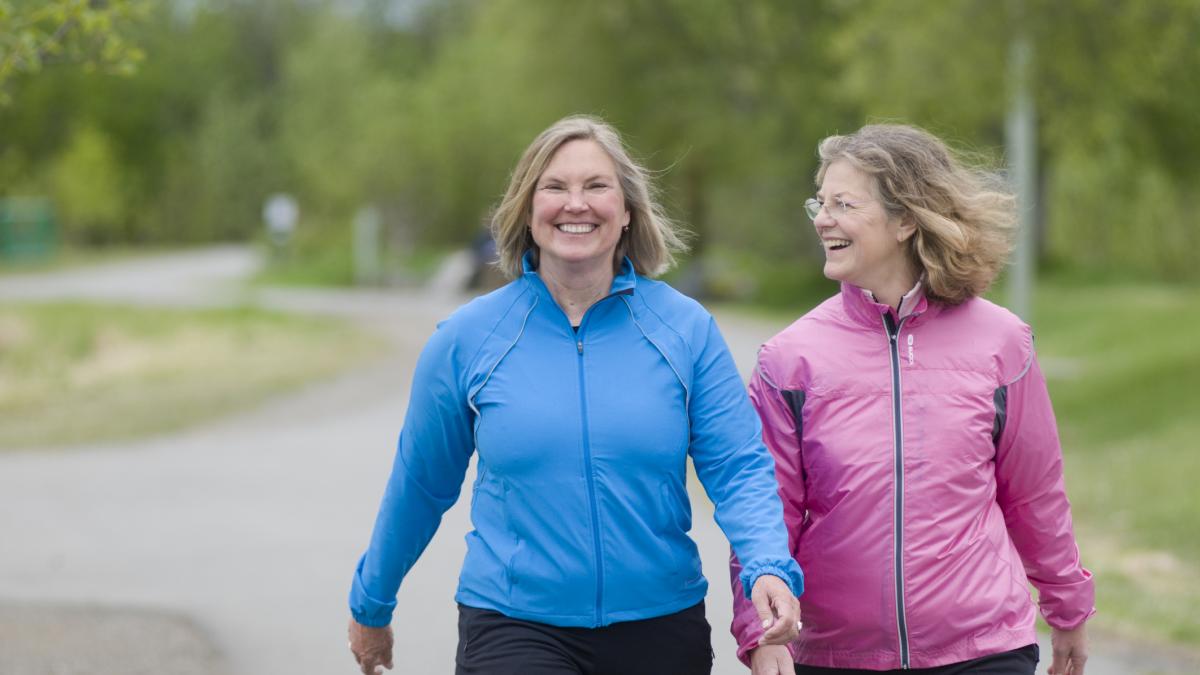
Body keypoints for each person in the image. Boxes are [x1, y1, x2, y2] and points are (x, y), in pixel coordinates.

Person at [348, 114, 804, 675]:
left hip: (660, 626)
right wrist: (372, 601)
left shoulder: (685, 330)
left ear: (628, 210)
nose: (576, 204)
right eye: (555, 187)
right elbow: (420, 483)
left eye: (596, 186)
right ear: (527, 211)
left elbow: (738, 467)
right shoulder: (467, 339)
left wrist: (767, 567)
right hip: (513, 626)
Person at [730, 124, 1095, 675]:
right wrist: (762, 633)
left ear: (906, 219)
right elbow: (764, 513)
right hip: (838, 657)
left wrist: (1067, 608)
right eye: (820, 202)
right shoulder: (789, 359)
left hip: (983, 652)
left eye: (843, 203)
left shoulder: (1002, 342)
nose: (821, 219)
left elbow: (1034, 493)